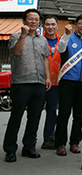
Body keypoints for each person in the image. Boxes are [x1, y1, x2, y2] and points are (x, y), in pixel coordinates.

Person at [3, 9, 51, 162]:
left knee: (34, 117)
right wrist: (23, 35)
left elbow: (45, 59)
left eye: (36, 19)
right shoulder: (15, 37)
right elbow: (16, 52)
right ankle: (10, 150)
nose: (33, 22)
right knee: (16, 117)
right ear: (24, 21)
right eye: (30, 19)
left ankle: (28, 147)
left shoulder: (42, 40)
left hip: (39, 83)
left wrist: (48, 78)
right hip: (21, 83)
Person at [55, 14, 82, 156]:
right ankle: (60, 144)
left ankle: (74, 142)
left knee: (79, 114)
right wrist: (66, 34)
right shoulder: (68, 38)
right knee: (64, 113)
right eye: (80, 23)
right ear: (76, 25)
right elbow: (60, 49)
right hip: (67, 81)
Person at [41, 15, 61, 150]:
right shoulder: (39, 40)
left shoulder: (63, 40)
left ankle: (49, 137)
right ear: (43, 26)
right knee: (35, 111)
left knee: (52, 111)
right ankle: (30, 141)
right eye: (47, 24)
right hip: (40, 81)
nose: (50, 27)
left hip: (57, 82)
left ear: (57, 26)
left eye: (53, 24)